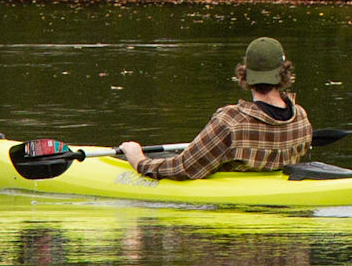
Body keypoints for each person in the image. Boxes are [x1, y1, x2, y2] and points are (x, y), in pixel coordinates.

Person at [120, 36, 314, 179]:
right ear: (284, 74)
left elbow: (182, 168)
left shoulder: (230, 121)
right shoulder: (301, 118)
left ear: (245, 74)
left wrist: (138, 160)